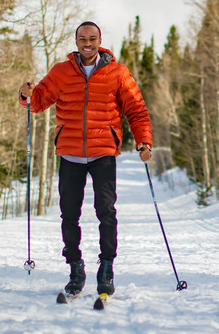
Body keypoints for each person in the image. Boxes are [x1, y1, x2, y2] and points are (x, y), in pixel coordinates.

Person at [19, 21, 152, 298]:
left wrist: (144, 140)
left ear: (99, 40)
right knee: (69, 214)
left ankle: (106, 269)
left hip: (103, 152)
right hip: (70, 154)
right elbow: (39, 101)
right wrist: (26, 94)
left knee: (106, 212)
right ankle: (76, 269)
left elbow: (136, 110)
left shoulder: (117, 73)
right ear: (76, 41)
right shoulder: (61, 72)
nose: (87, 43)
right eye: (82, 38)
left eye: (92, 38)